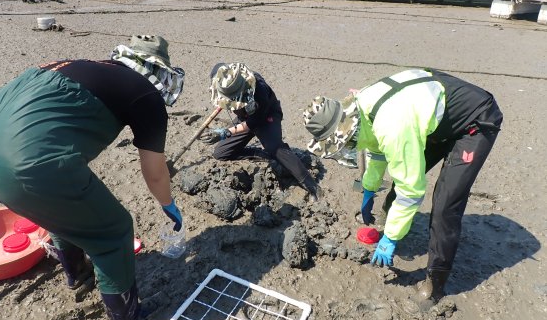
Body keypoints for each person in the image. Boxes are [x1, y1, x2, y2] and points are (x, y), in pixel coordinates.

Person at [0, 35, 185, 320]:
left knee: (59, 210)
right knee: (114, 230)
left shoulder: (77, 65)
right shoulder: (145, 94)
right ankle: (126, 315)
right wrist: (168, 204)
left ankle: (77, 274)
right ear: (159, 73)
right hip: (27, 163)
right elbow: (155, 172)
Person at [303, 68, 502, 303]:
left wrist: (390, 238)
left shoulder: (392, 125)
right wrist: (369, 190)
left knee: (445, 205)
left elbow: (412, 189)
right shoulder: (362, 109)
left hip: (474, 121)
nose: (346, 147)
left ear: (347, 128)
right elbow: (377, 151)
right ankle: (394, 225)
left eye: (343, 143)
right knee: (402, 175)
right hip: (433, 120)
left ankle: (435, 283)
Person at [200, 62, 321, 200]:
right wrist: (224, 94)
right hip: (244, 117)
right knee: (220, 153)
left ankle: (312, 186)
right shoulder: (224, 77)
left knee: (275, 148)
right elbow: (218, 67)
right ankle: (261, 154)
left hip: (266, 117)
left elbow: (253, 123)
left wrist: (225, 132)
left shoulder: (259, 90)